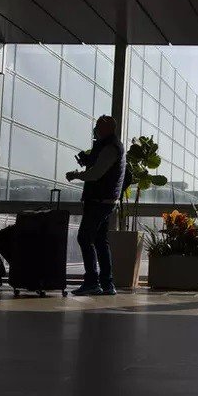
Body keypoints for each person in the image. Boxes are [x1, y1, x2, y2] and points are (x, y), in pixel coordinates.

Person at [65, 115, 126, 296]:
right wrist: (90, 160)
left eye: (99, 125)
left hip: (99, 201)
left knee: (84, 238)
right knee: (100, 241)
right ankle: (107, 284)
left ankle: (92, 281)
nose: (96, 128)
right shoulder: (112, 146)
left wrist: (76, 175)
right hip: (107, 201)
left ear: (108, 128)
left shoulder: (110, 147)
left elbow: (96, 174)